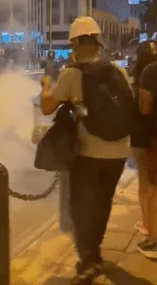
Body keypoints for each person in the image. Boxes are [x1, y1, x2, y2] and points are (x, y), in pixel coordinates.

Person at [39, 16, 134, 284]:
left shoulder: (72, 74)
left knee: (81, 208)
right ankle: (96, 254)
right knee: (103, 203)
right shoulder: (118, 70)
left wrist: (46, 85)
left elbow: (47, 107)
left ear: (77, 44)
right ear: (97, 41)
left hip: (90, 154)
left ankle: (87, 261)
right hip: (119, 152)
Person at [135, 41, 157, 258]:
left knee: (152, 188)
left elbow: (144, 107)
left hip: (153, 136)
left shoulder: (150, 72)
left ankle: (154, 240)